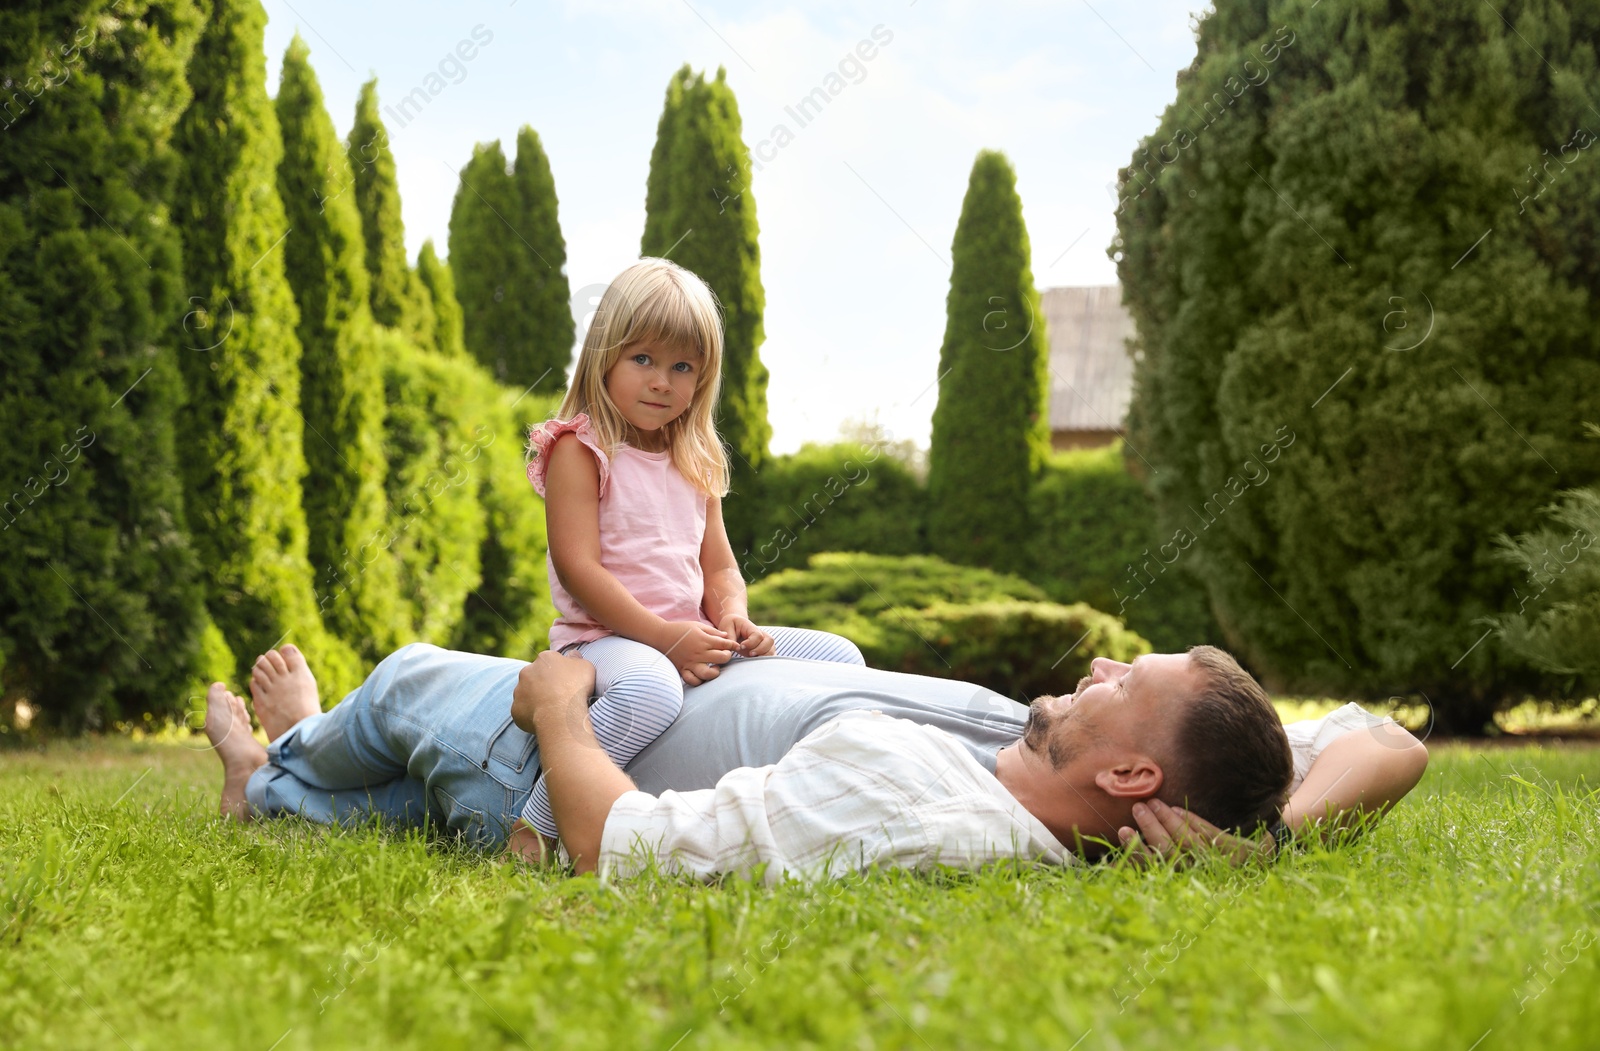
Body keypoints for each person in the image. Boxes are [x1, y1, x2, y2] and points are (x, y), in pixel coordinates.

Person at [206, 640, 1428, 882]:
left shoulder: (916, 804)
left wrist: (563, 704)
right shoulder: (1106, 759)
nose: (1102, 663)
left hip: (550, 751)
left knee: (416, 676)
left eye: (1125, 682)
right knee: (828, 644)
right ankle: (277, 783)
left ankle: (284, 753)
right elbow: (1391, 742)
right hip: (714, 672)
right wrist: (1274, 833)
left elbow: (614, 845)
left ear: (1130, 780)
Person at [519, 258, 863, 843]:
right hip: (605, 641)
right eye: (643, 359)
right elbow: (578, 570)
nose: (662, 381)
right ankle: (537, 823)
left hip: (692, 634)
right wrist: (662, 636)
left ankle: (792, 802)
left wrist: (733, 616)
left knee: (841, 657)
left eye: (683, 367)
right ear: (604, 354)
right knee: (651, 690)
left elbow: (720, 565)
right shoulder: (581, 449)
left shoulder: (695, 458)